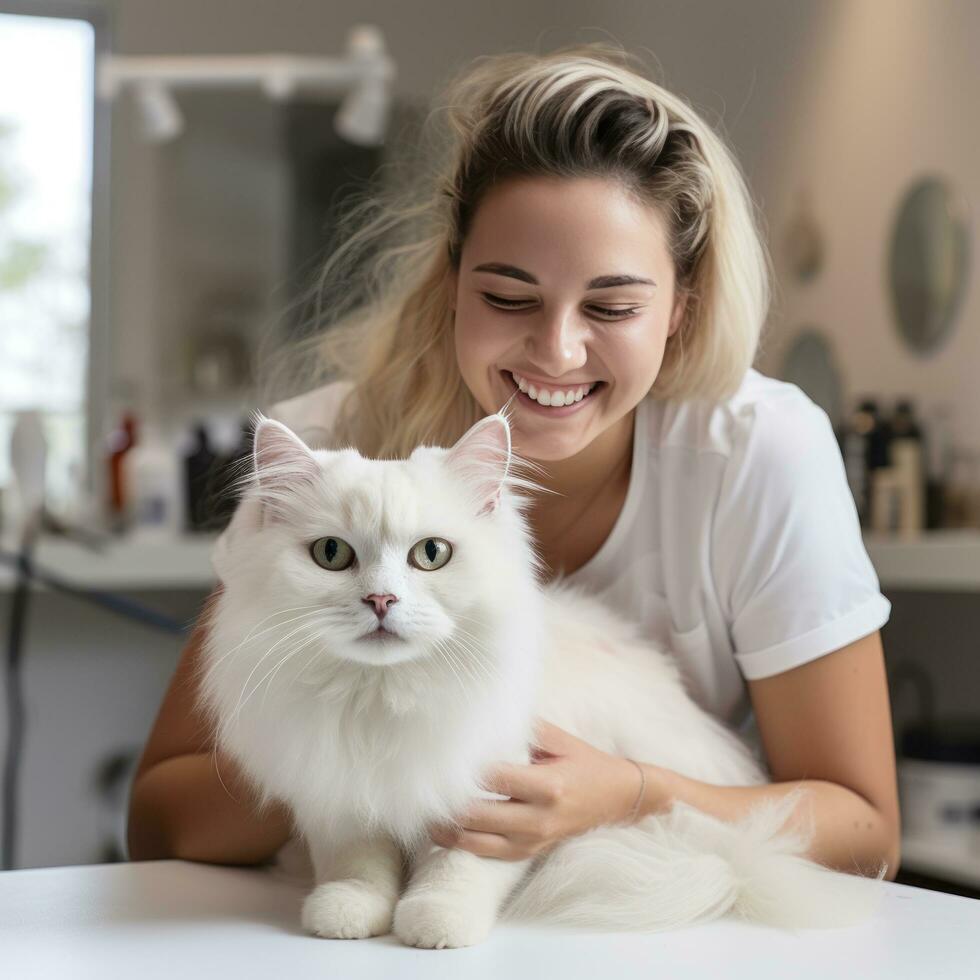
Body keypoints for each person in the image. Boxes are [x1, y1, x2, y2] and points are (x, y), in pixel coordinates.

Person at [127, 42, 901, 881]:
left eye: (611, 305)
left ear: (681, 306)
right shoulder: (326, 454)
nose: (557, 350)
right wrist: (339, 747)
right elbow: (159, 826)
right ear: (451, 278)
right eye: (507, 297)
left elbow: (867, 835)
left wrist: (631, 794)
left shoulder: (757, 453)